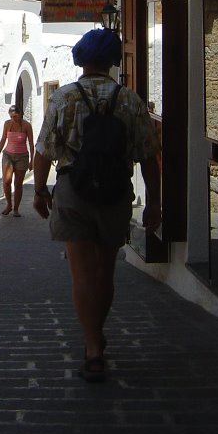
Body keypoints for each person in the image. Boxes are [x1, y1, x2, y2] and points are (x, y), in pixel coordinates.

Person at [33, 29, 161, 383]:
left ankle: (91, 346)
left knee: (81, 273)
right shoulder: (130, 100)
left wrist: (41, 191)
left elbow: (44, 149)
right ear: (113, 61)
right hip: (116, 192)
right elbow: (149, 156)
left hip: (74, 189)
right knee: (106, 270)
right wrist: (154, 202)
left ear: (81, 59)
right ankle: (96, 336)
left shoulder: (63, 98)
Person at [0, 105, 34, 216]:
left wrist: (32, 159)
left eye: (15, 116)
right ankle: (9, 204)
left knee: (18, 183)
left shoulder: (26, 126)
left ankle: (16, 209)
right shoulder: (7, 124)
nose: (14, 119)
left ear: (20, 114)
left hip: (22, 156)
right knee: (6, 181)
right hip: (8, 155)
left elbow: (31, 143)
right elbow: (3, 139)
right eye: (11, 116)